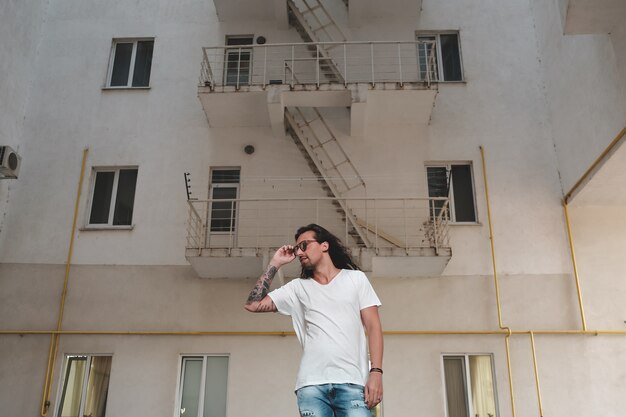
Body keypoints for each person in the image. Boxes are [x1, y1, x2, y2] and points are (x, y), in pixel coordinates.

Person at [244, 223, 384, 417]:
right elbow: (253, 304)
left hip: (352, 382)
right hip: (311, 386)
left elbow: (374, 327)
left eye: (304, 245)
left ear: (324, 246)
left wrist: (376, 372)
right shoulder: (297, 288)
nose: (299, 253)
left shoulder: (356, 279)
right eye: (296, 248)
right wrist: (275, 263)